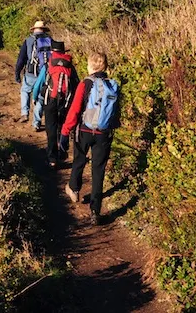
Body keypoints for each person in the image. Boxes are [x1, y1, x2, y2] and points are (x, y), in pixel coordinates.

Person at [60, 51, 121, 225]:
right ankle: (95, 211)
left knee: (79, 159)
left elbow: (75, 110)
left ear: (90, 66)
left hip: (85, 131)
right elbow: (116, 114)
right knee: (98, 171)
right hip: (104, 134)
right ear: (105, 66)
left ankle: (74, 188)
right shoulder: (113, 85)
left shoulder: (86, 83)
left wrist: (65, 132)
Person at [32, 40, 79, 169]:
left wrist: (35, 97)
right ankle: (62, 151)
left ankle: (52, 158)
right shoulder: (69, 65)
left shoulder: (49, 64)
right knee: (62, 126)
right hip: (66, 100)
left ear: (52, 51)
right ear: (63, 52)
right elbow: (76, 84)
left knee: (50, 128)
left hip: (50, 100)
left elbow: (39, 83)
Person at [14, 21, 52, 131]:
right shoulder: (50, 40)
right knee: (40, 98)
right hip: (44, 74)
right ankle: (36, 123)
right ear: (44, 29)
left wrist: (17, 72)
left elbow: (21, 59)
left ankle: (25, 113)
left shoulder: (28, 40)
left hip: (30, 73)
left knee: (25, 91)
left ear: (34, 29)